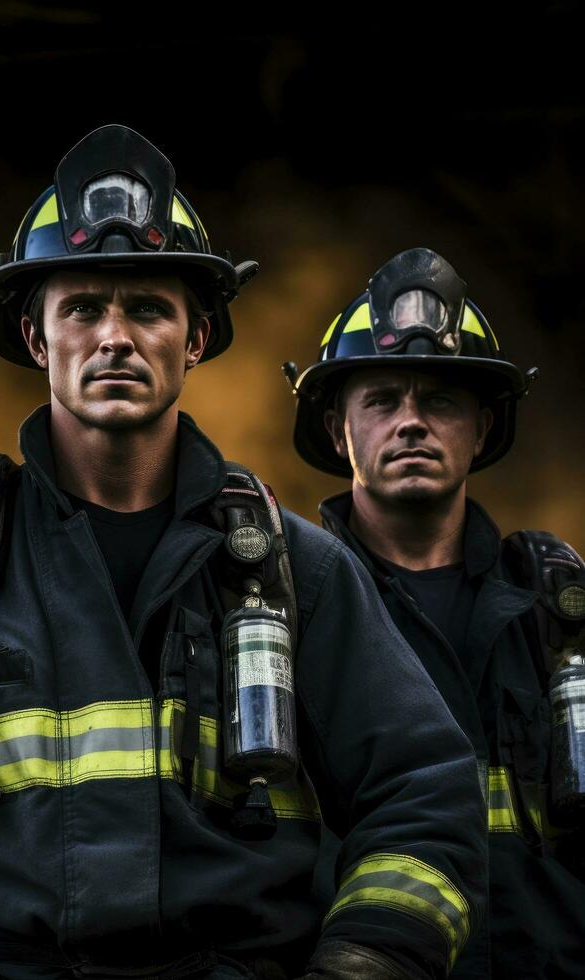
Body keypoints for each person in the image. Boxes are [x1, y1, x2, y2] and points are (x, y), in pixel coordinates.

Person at [0, 127, 487, 980]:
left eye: (148, 309)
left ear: (195, 340)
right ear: (36, 339)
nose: (115, 338)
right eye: (84, 308)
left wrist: (361, 965)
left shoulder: (294, 572)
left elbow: (424, 797)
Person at [286, 246, 585, 977]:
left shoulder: (558, 611)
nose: (411, 423)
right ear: (338, 431)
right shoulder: (280, 605)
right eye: (383, 400)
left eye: (442, 401)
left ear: (482, 430)